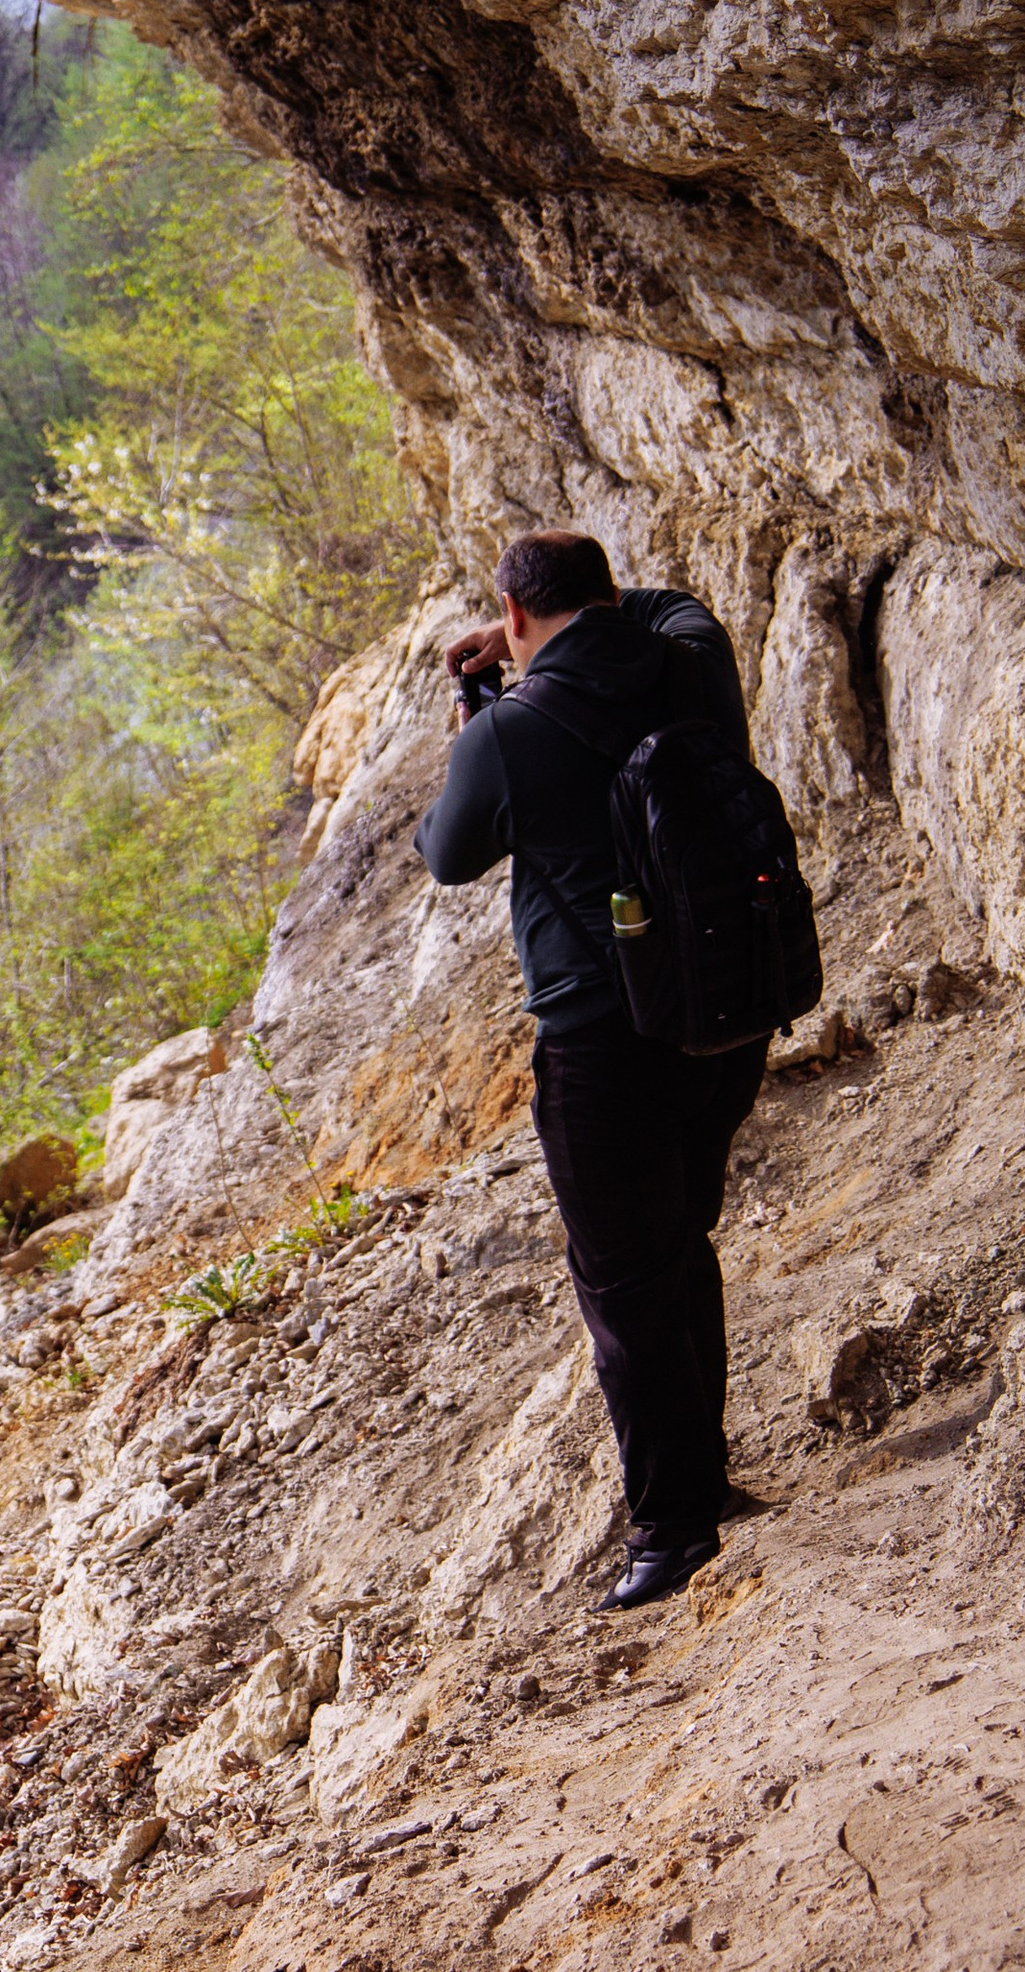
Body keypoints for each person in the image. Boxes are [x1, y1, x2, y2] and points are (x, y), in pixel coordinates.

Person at [414, 529, 769, 1612]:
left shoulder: (508, 733)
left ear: (512, 617)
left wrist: (485, 710)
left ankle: (672, 1527)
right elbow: (675, 603)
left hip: (599, 1036)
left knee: (623, 1281)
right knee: (676, 1242)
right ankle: (703, 1486)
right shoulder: (690, 660)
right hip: (721, 1011)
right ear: (610, 596)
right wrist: (584, 616)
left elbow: (448, 854)